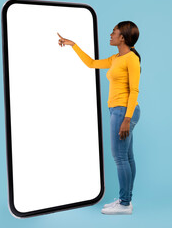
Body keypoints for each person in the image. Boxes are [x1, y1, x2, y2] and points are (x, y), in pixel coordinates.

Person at [57, 21, 142, 215]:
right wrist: (73, 45)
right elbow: (92, 64)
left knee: (120, 157)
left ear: (122, 38)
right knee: (127, 157)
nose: (110, 35)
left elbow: (134, 90)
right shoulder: (115, 58)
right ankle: (125, 200)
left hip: (124, 111)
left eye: (114, 32)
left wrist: (127, 119)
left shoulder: (131, 59)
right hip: (118, 111)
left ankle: (124, 203)